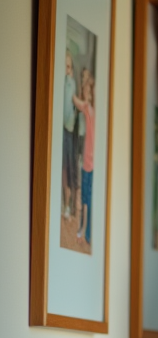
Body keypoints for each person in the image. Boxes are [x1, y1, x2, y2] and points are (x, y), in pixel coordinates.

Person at [71, 70, 96, 246]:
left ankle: (87, 233)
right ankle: (83, 230)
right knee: (85, 198)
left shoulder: (91, 110)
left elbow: (79, 102)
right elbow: (78, 102)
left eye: (89, 90)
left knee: (88, 198)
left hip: (91, 162)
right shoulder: (88, 109)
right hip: (86, 160)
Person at [61, 49, 78, 222]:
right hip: (61, 127)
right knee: (61, 168)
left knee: (67, 167)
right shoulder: (63, 81)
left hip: (68, 129)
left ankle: (68, 205)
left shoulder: (71, 83)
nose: (65, 69)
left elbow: (71, 108)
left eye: (68, 66)